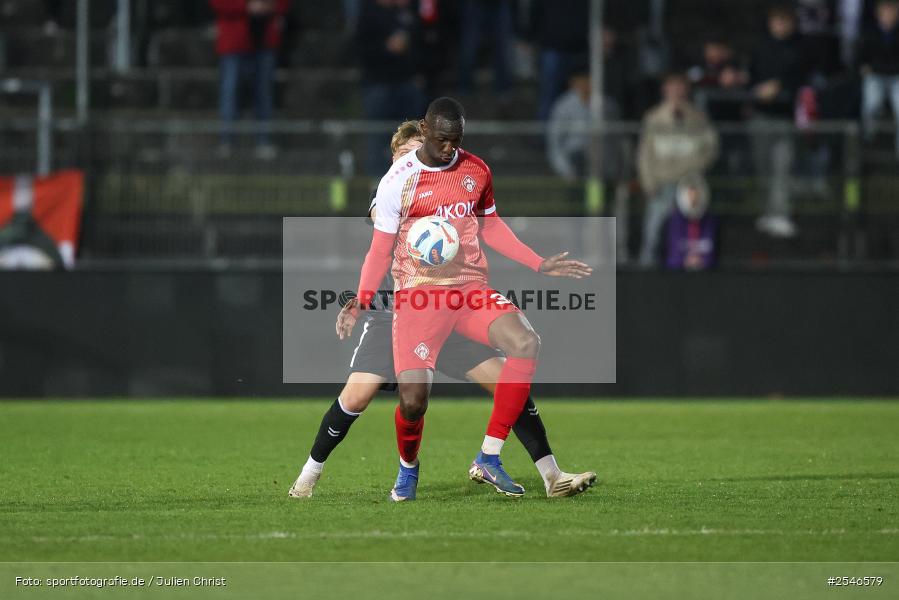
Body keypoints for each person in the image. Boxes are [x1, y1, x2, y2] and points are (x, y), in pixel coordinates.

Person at [288, 123, 596, 501]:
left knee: (510, 385)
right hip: (398, 315)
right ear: (394, 158)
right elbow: (379, 222)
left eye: (417, 151)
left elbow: (483, 223)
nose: (412, 160)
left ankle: (551, 475)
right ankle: (310, 474)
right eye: (404, 154)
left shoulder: (450, 186)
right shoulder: (390, 190)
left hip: (452, 308)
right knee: (359, 398)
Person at [637, 72, 719, 267]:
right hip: (662, 184)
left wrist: (693, 170)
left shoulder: (699, 118)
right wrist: (648, 183)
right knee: (653, 232)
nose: (676, 91)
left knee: (691, 234)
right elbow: (645, 155)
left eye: (680, 86)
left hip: (691, 185)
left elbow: (711, 149)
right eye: (672, 86)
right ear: (664, 89)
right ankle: (646, 270)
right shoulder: (653, 118)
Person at [748, 4, 809, 238]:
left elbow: (802, 79)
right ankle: (766, 213)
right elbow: (750, 78)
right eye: (777, 20)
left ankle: (781, 214)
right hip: (761, 116)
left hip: (786, 118)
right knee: (763, 167)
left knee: (783, 168)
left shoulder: (800, 49)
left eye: (785, 21)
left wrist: (780, 86)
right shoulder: (759, 47)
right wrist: (758, 90)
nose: (780, 25)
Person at [210, 0, 290, 160]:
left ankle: (263, 140)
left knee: (264, 93)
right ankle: (227, 141)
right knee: (230, 91)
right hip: (233, 38)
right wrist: (246, 6)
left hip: (265, 38)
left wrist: (268, 6)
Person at [356, 0, 425, 175]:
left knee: (410, 136)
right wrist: (387, 48)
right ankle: (378, 181)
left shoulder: (404, 13)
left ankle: (410, 177)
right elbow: (360, 51)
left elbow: (419, 42)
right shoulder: (368, 14)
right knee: (377, 137)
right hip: (377, 84)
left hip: (405, 83)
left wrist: (417, 72)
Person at [860, 0, 899, 158]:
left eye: (892, 10)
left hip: (896, 77)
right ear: (878, 13)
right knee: (872, 104)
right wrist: (865, 67)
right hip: (875, 77)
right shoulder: (869, 32)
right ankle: (868, 140)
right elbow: (861, 59)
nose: (888, 14)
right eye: (885, 10)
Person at [662, 175, 719, 271]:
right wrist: (684, 260)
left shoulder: (709, 220)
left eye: (696, 195)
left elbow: (711, 251)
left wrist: (701, 260)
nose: (693, 199)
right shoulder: (674, 220)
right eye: (690, 195)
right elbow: (673, 253)